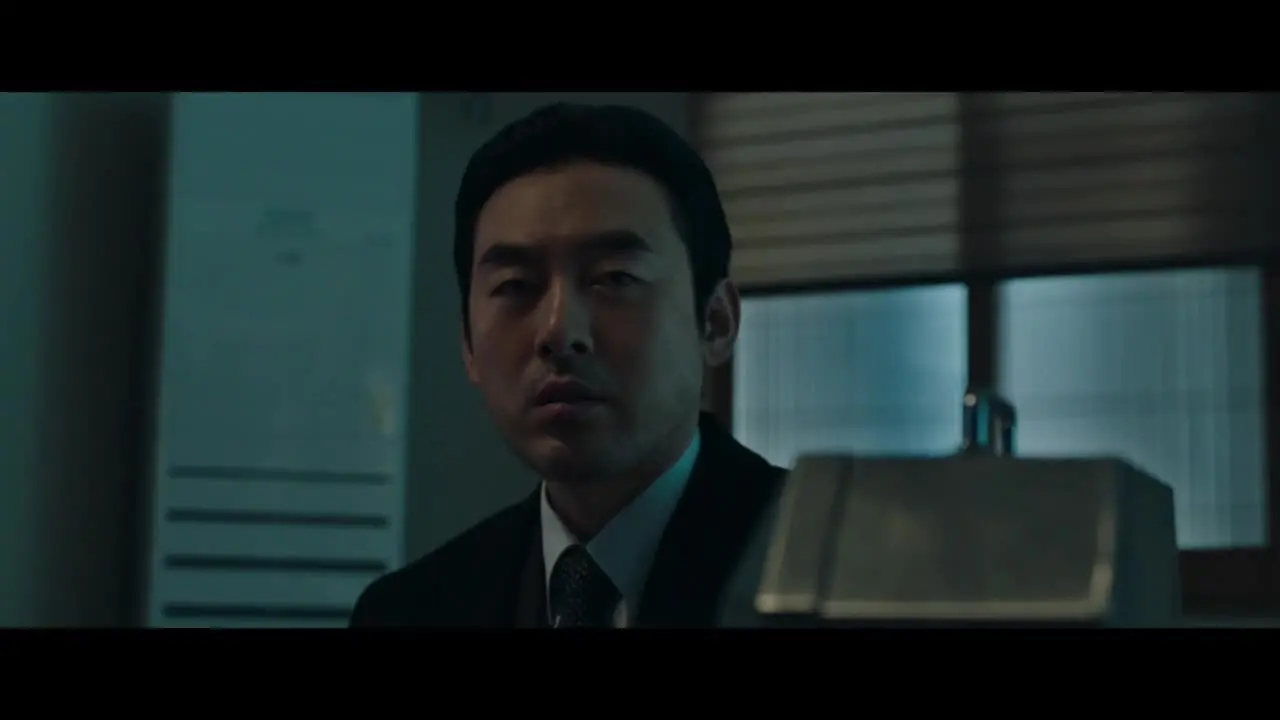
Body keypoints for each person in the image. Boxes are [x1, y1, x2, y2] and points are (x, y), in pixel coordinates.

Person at [349, 102, 785, 628]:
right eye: (516, 286)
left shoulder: (825, 575)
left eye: (615, 278)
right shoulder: (408, 612)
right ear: (468, 344)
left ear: (714, 322)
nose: (558, 331)